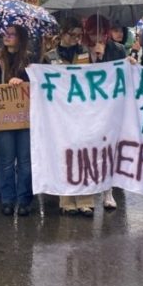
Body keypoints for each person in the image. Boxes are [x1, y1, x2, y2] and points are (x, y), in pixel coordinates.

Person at [0, 24, 33, 216]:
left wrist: (22, 81)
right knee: (5, 161)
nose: (7, 37)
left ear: (21, 38)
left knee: (25, 162)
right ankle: (7, 200)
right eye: (5, 33)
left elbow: (38, 83)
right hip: (3, 119)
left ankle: (25, 199)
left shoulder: (30, 59)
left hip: (25, 118)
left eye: (12, 34)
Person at [43, 18, 90, 215]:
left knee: (84, 154)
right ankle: (67, 200)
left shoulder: (86, 53)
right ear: (62, 34)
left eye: (79, 35)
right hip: (60, 113)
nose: (76, 39)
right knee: (64, 155)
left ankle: (85, 200)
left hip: (82, 111)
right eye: (72, 35)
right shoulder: (49, 56)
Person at [82, 14, 127, 212]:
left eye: (101, 33)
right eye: (94, 33)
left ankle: (108, 192)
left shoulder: (118, 49)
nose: (98, 37)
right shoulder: (82, 49)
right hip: (88, 106)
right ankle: (90, 191)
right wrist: (94, 59)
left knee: (109, 148)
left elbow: (123, 74)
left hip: (110, 106)